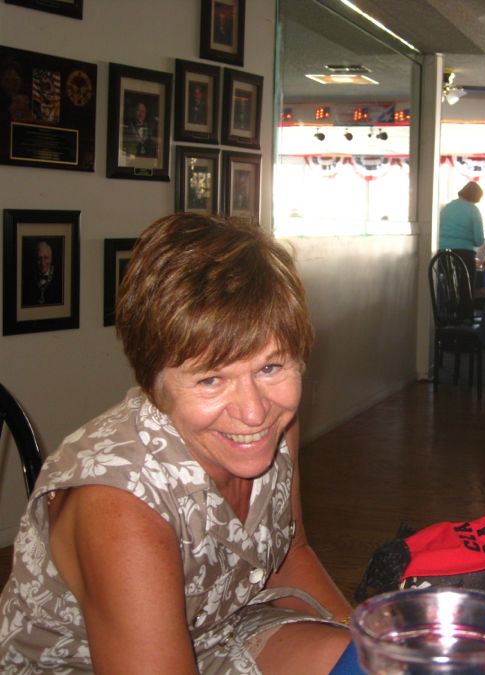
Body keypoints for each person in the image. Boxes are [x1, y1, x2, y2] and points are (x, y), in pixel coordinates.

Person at [0, 214, 352, 673]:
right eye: (210, 379)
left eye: (270, 368)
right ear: (153, 383)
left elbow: (290, 557)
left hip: (220, 630)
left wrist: (377, 641)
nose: (253, 412)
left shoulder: (275, 425)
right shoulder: (118, 505)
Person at [438, 181, 485, 289]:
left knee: (447, 288)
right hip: (464, 255)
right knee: (466, 288)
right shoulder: (473, 210)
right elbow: (479, 240)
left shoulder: (446, 208)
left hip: (442, 253)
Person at [22, 239, 62, 306]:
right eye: (39, 258)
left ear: (51, 259)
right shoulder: (27, 278)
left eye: (46, 258)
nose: (43, 263)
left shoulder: (60, 277)